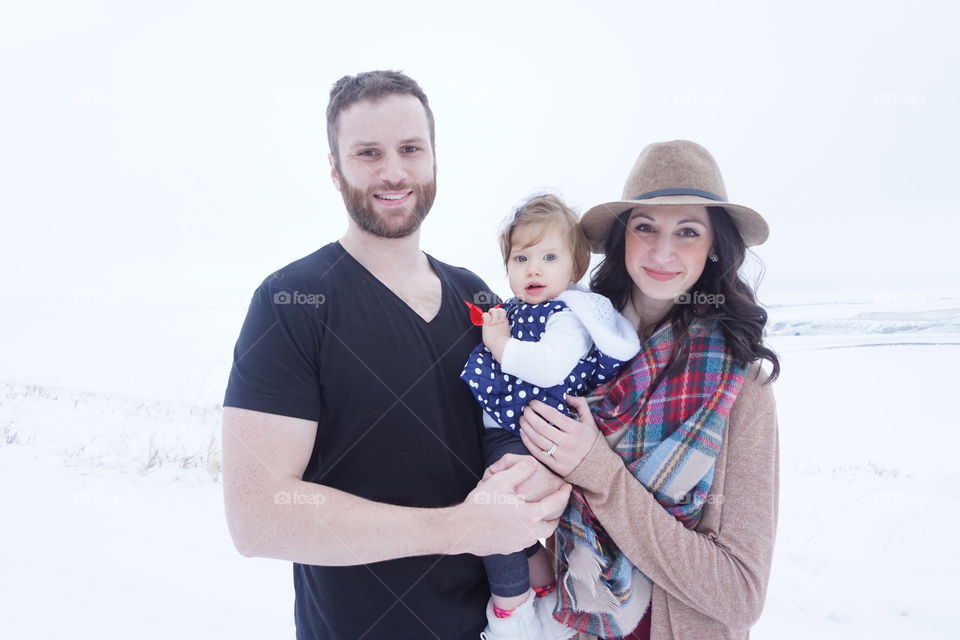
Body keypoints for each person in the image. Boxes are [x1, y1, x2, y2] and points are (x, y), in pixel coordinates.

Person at [220, 70, 571, 640]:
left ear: (434, 160)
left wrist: (533, 474)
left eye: (411, 149)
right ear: (335, 170)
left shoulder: (479, 300)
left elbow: (516, 427)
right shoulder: (292, 302)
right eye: (368, 153)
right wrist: (461, 529)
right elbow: (258, 517)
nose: (393, 171)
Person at [492, 140, 780, 639]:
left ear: (714, 245)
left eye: (687, 231)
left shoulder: (742, 388)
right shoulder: (574, 352)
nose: (662, 252)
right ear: (624, 238)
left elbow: (740, 593)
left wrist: (599, 471)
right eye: (646, 227)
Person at [460, 192, 640, 639]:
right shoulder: (519, 310)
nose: (533, 269)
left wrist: (500, 345)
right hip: (505, 430)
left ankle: (510, 611)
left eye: (549, 256)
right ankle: (543, 592)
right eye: (521, 257)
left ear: (575, 269)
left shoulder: (569, 316)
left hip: (529, 434)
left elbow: (548, 366)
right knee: (513, 520)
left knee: (497, 515)